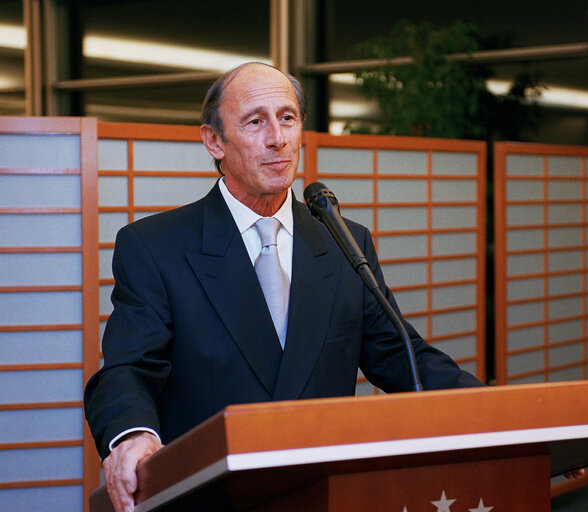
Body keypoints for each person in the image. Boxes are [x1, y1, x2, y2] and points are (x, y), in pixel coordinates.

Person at [84, 62, 483, 512]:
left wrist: (506, 418)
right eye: (256, 121)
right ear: (214, 140)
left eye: (288, 118)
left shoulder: (343, 241)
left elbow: (403, 356)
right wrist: (133, 435)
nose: (278, 137)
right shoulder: (156, 246)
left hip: (324, 490)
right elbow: (126, 370)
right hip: (210, 496)